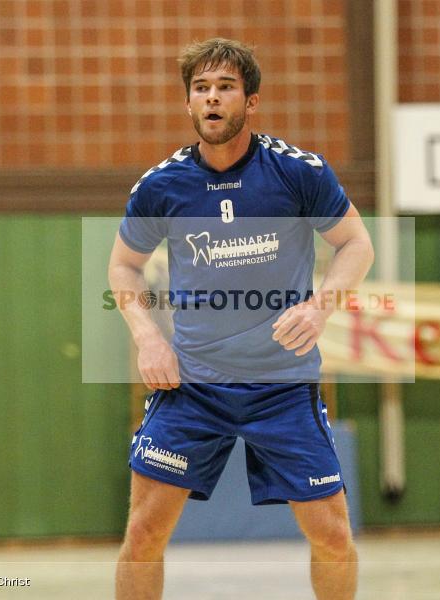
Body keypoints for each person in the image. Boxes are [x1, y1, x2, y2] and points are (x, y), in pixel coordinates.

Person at [108, 38, 374, 600]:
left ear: (251, 101)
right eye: (201, 88)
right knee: (144, 534)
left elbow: (356, 244)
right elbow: (123, 266)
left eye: (225, 87)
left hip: (282, 386)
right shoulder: (162, 185)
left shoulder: (297, 172)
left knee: (332, 536)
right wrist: (148, 338)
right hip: (192, 387)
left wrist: (320, 306)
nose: (212, 98)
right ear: (187, 102)